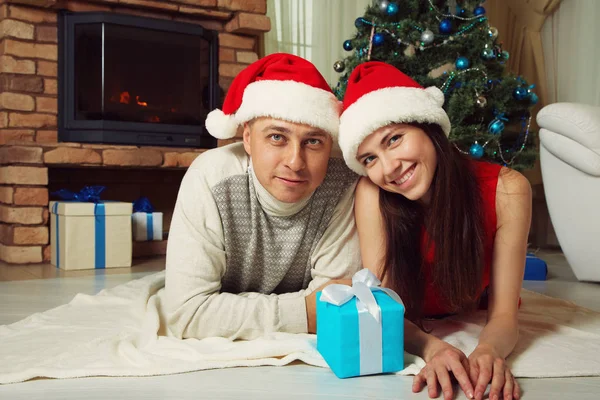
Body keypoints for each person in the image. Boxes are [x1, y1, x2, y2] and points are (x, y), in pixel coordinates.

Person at [337, 62, 531, 400]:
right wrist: (431, 348)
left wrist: (488, 351)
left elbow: (503, 314)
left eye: (394, 139)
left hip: (468, 306)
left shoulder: (508, 190)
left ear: (429, 127)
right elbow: (383, 306)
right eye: (369, 158)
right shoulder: (372, 194)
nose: (389, 168)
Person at [165, 53, 360, 341]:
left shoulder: (344, 183)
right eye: (277, 137)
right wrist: (304, 312)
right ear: (247, 138)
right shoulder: (210, 178)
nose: (295, 162)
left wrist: (227, 312)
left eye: (313, 141)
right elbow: (187, 314)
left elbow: (337, 307)